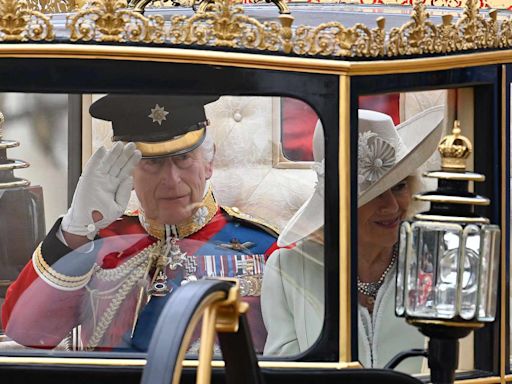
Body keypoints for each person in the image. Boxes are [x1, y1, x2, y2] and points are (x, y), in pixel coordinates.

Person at [2, 94, 278, 353]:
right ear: (128, 171)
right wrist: (76, 228)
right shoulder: (96, 243)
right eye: (152, 162)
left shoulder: (265, 251)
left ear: (209, 162)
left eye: (183, 159)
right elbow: (24, 332)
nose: (171, 180)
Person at [261, 105, 444, 373]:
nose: (392, 206)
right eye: (373, 194)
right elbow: (283, 376)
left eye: (399, 186)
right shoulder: (288, 269)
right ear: (337, 204)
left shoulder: (435, 261)